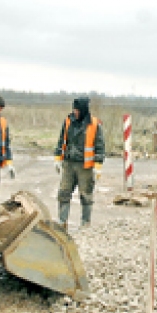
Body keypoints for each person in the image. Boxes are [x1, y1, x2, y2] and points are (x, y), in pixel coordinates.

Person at [54, 96, 105, 228]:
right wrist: (58, 158)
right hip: (69, 164)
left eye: (77, 110)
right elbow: (62, 141)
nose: (75, 112)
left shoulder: (94, 124)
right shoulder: (68, 121)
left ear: (83, 110)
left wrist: (98, 165)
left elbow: (99, 146)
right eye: (74, 109)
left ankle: (85, 223)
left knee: (86, 195)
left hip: (85, 167)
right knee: (64, 193)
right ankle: (62, 222)